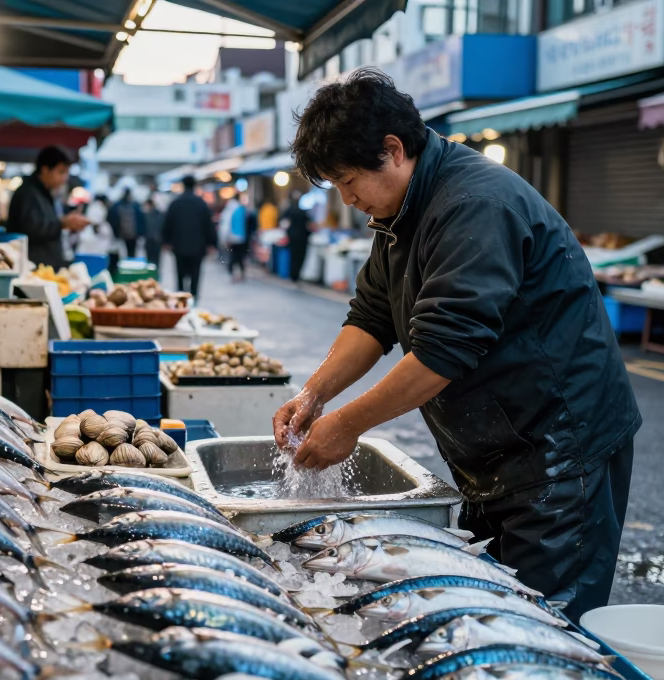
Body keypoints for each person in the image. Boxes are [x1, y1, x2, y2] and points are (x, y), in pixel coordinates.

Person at [272, 68, 640, 622]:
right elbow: (372, 318)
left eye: (348, 180)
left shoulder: (474, 204)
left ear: (392, 150)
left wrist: (346, 425)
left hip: (560, 455)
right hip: (496, 452)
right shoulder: (400, 213)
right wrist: (314, 395)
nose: (347, 199)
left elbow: (445, 350)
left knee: (546, 627)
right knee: (488, 615)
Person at [4, 146, 90, 269]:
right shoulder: (27, 193)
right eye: (61, 172)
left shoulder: (46, 194)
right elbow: (31, 229)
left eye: (66, 172)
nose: (65, 178)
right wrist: (62, 223)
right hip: (31, 271)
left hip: (45, 269)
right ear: (45, 170)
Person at [161, 175, 217, 298]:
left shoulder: (175, 203)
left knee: (180, 275)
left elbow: (167, 224)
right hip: (198, 247)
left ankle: (181, 301)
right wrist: (212, 243)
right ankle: (193, 300)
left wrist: (166, 242)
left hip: (179, 246)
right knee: (195, 275)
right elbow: (209, 225)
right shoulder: (201, 203)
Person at [281, 189, 313, 283]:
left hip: (293, 237)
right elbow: (309, 225)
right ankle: (296, 275)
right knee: (300, 257)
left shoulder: (289, 210)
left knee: (293, 256)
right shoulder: (303, 212)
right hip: (302, 238)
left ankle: (293, 275)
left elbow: (284, 223)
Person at [107, 188, 147, 262]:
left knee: (121, 254)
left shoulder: (117, 205)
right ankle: (130, 265)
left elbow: (111, 219)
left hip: (121, 234)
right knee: (131, 253)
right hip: (132, 235)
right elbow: (141, 220)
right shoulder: (135, 205)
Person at [224, 193, 252, 282]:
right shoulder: (241, 209)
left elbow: (226, 226)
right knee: (239, 256)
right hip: (241, 237)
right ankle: (240, 273)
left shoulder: (230, 209)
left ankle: (233, 273)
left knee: (235, 256)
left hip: (233, 237)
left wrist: (225, 238)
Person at [142, 197, 165, 267]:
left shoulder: (148, 215)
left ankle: (153, 274)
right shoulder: (158, 215)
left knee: (152, 259)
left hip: (153, 239)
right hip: (154, 239)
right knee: (154, 259)